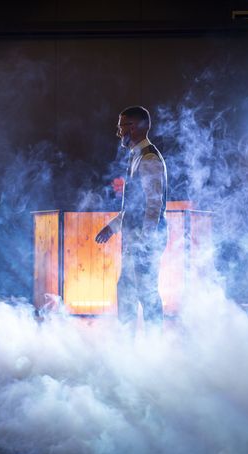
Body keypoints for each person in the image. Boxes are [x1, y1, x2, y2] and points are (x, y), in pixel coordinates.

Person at [96, 106, 168, 331]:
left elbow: (153, 207)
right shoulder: (136, 156)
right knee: (127, 290)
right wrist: (113, 227)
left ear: (135, 127)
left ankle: (154, 348)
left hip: (145, 239)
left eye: (122, 126)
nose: (118, 132)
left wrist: (145, 242)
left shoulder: (149, 159)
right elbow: (134, 206)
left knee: (146, 293)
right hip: (137, 238)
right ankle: (127, 347)